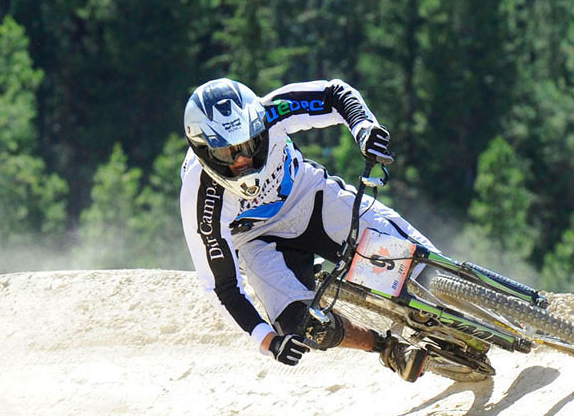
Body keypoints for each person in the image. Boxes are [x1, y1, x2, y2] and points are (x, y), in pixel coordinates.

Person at [180, 77, 433, 382]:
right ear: (203, 152)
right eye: (226, 153)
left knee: (412, 259)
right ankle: (385, 346)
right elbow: (223, 287)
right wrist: (269, 342)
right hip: (255, 239)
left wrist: (364, 127)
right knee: (303, 326)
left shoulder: (270, 111)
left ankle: (452, 293)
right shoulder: (201, 196)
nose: (242, 159)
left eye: (248, 143)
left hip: (306, 195)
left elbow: (334, 94)